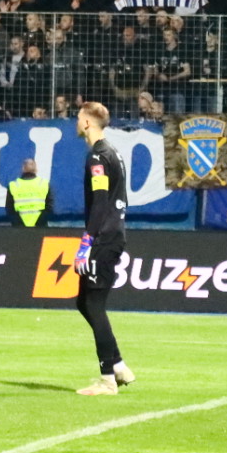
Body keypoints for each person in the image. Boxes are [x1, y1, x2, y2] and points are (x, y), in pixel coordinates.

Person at [73, 101, 136, 396]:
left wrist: (87, 242)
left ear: (88, 123)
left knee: (94, 305)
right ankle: (119, 365)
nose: (76, 122)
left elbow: (100, 202)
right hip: (112, 234)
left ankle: (107, 379)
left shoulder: (98, 156)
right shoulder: (114, 152)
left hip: (103, 238)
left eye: (78, 118)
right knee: (84, 302)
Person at [5, 157, 52, 227]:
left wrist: (19, 224)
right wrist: (40, 222)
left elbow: (9, 209)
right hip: (40, 226)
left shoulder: (14, 185)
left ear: (23, 169)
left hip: (19, 227)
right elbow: (50, 207)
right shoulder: (44, 184)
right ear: (36, 169)